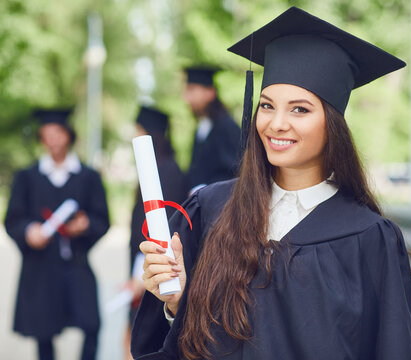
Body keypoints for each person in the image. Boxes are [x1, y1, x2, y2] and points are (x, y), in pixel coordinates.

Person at [131, 7, 411, 360]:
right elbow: (177, 346)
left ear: (332, 124)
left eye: (299, 110)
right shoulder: (211, 210)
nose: (276, 123)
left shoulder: (368, 238)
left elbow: (392, 350)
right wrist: (176, 301)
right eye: (267, 106)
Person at [4, 108, 110, 360]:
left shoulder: (87, 176)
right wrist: (29, 231)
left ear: (68, 136)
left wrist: (86, 225)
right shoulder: (27, 177)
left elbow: (102, 219)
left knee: (91, 324)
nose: (52, 140)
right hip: (40, 266)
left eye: (57, 133)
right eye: (46, 135)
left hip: (76, 263)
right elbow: (13, 219)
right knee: (44, 332)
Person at [125, 106, 189, 359]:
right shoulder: (161, 168)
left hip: (156, 267)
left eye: (138, 131)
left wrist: (138, 273)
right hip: (146, 265)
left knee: (141, 337)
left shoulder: (167, 172)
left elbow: (160, 231)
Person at [183, 66, 241, 193]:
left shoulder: (226, 128)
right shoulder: (202, 127)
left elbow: (232, 172)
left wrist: (204, 190)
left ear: (210, 93)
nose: (187, 98)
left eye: (191, 90)